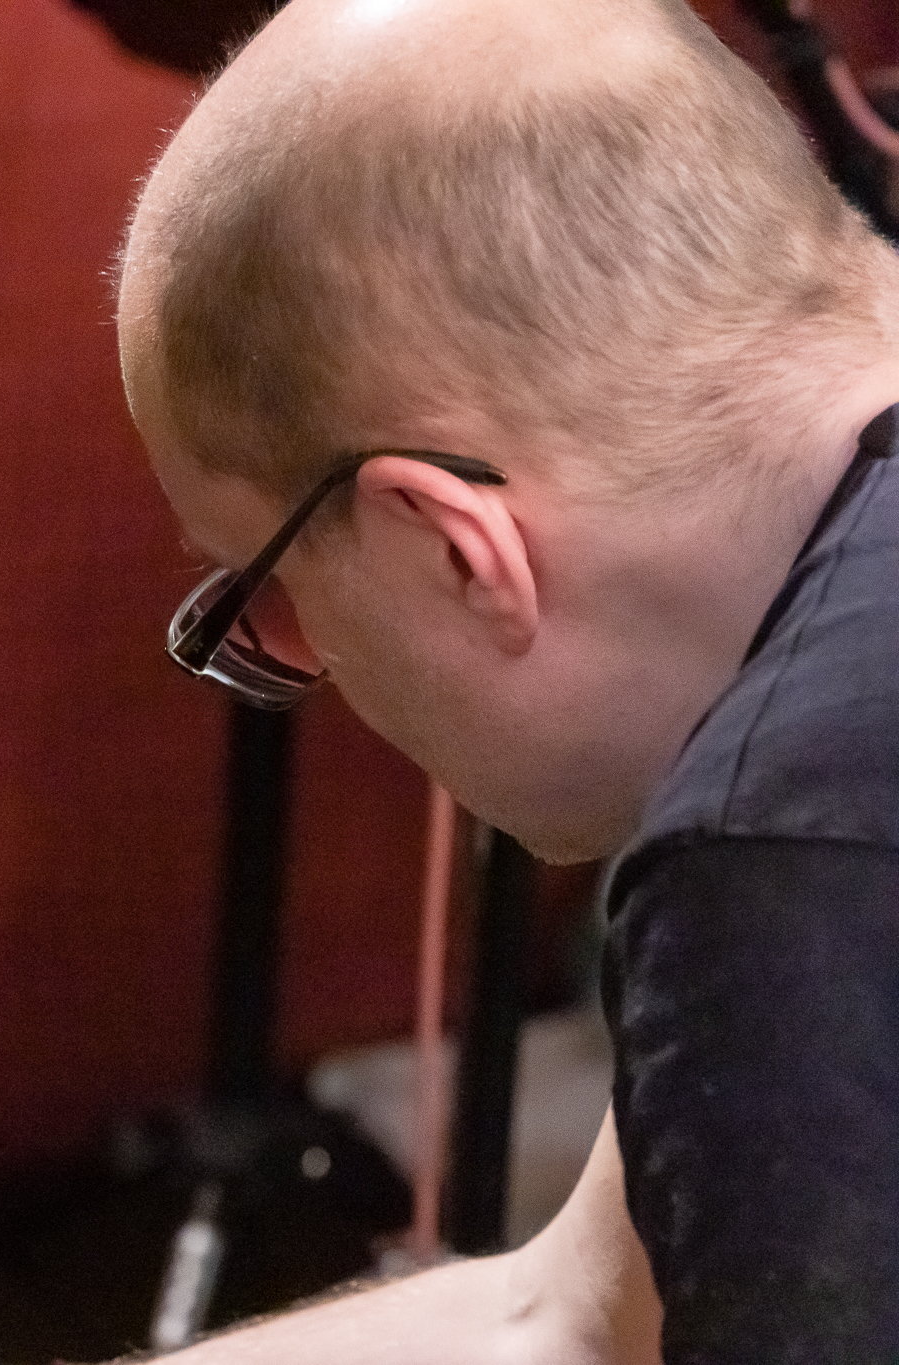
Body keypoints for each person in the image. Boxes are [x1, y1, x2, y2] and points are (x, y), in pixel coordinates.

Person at [114, 0, 899, 1358]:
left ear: (453, 547)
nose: (310, 664)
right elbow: (577, 1312)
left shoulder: (787, 856)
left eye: (272, 599)